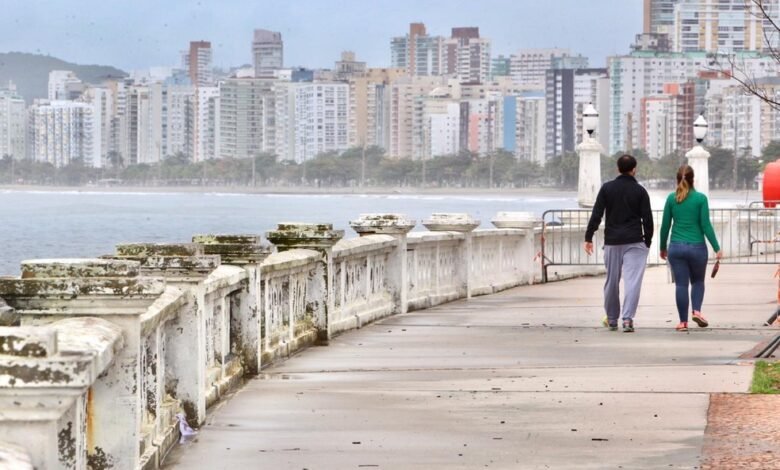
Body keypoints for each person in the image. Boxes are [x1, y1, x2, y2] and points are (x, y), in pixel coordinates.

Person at [584, 154, 654, 333]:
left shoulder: (607, 188)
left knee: (611, 281)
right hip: (635, 241)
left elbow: (597, 214)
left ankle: (613, 319)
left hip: (612, 241)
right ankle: (628, 319)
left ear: (618, 169)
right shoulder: (640, 190)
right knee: (633, 282)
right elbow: (647, 218)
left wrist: (589, 237)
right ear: (634, 169)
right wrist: (648, 240)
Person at [659, 164, 722, 332]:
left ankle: (682, 322)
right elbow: (705, 225)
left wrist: (662, 247)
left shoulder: (672, 198)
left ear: (677, 179)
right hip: (697, 248)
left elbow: (665, 226)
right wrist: (717, 247)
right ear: (693, 179)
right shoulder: (701, 199)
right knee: (698, 282)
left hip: (676, 248)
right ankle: (697, 311)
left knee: (681, 285)